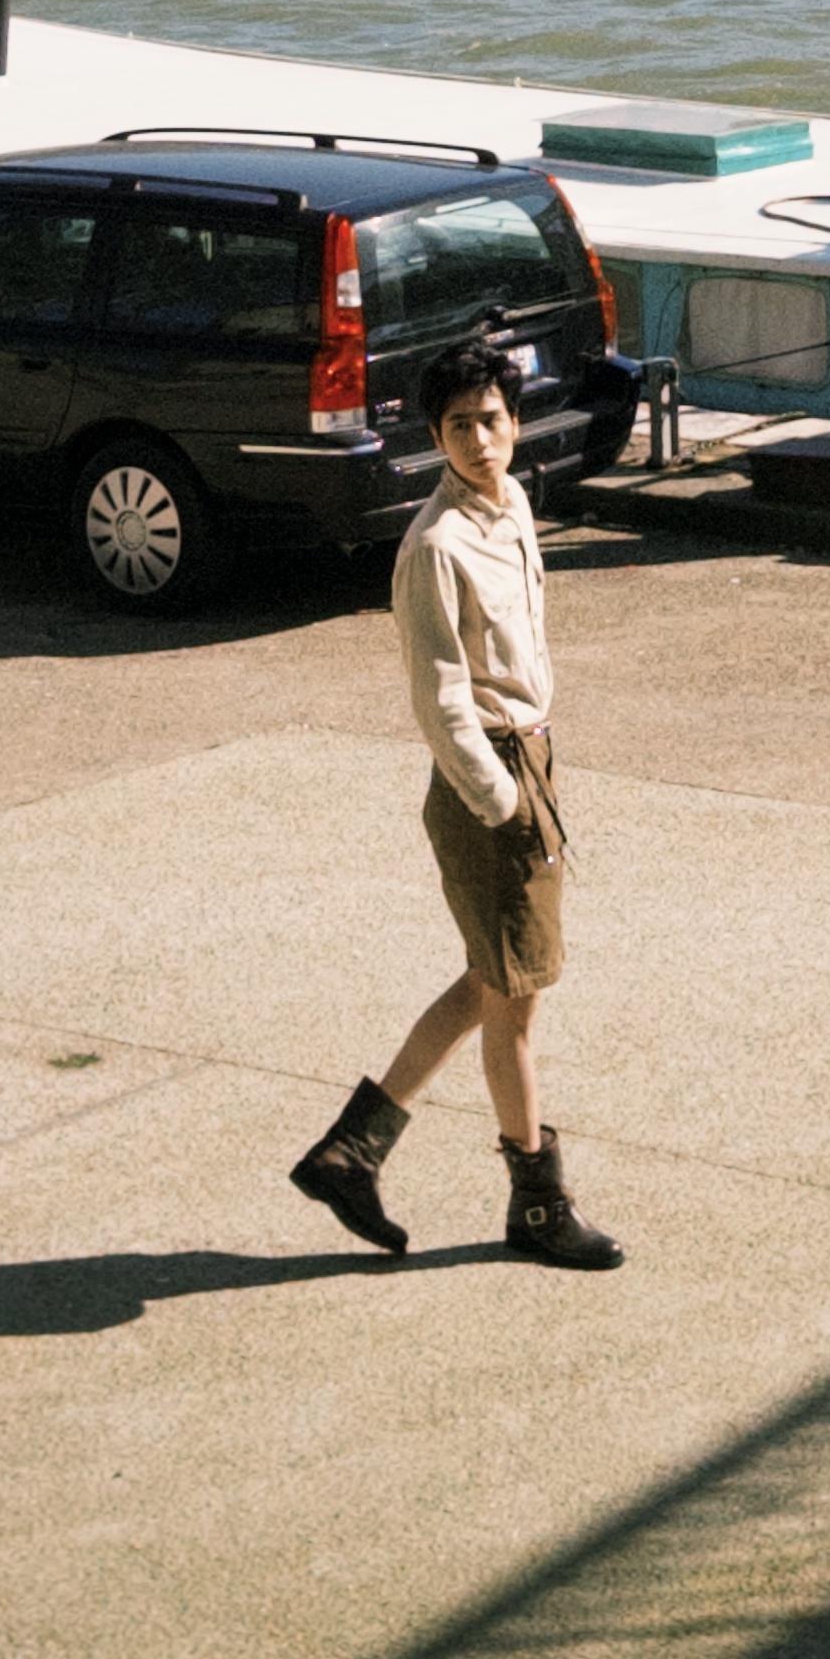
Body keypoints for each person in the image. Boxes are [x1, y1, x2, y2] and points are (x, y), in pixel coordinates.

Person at [289, 333, 621, 1272]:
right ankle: (539, 1204)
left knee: (493, 978)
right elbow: (440, 700)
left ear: (514, 424)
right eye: (461, 425)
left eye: (493, 419)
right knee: (516, 1001)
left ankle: (349, 1153)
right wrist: (502, 799)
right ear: (437, 437)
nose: (482, 439)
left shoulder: (510, 504)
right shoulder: (433, 546)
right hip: (491, 786)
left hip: (531, 763)